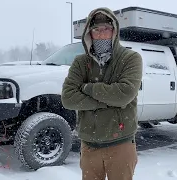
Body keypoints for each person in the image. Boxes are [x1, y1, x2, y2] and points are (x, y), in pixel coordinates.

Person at [61, 7, 143, 180]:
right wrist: (107, 100)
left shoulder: (130, 58)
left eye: (106, 29)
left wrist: (88, 88)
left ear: (114, 31)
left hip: (121, 144)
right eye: (96, 30)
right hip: (89, 146)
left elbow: (124, 94)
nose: (101, 34)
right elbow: (68, 98)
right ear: (89, 34)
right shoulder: (81, 62)